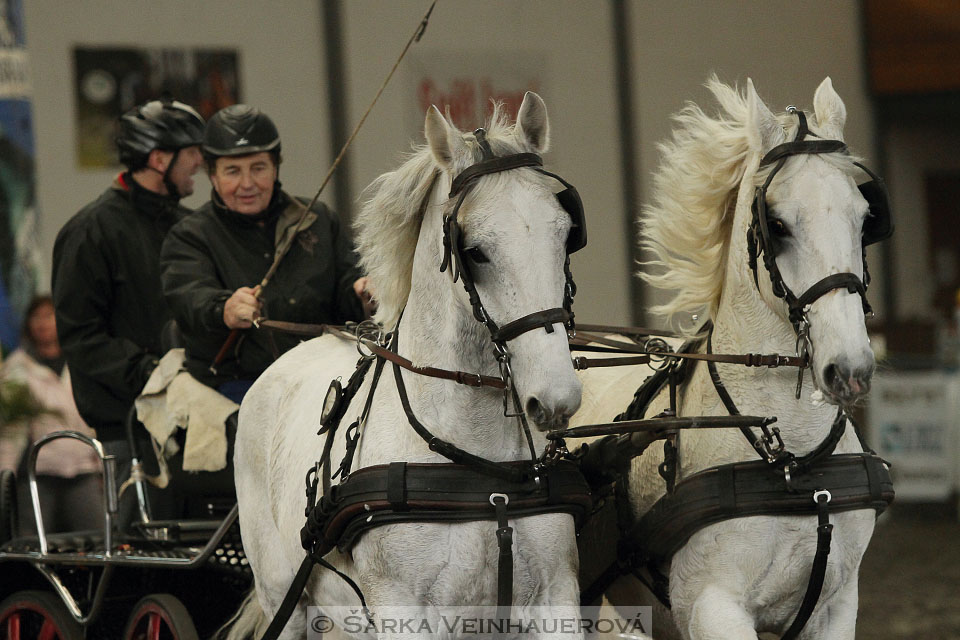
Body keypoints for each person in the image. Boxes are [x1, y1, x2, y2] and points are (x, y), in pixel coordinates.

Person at [51, 98, 205, 527]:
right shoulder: (90, 232)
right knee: (149, 563)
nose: (200, 161)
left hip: (201, 425)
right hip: (131, 433)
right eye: (191, 151)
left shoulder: (192, 227)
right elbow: (81, 338)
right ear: (159, 159)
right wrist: (151, 373)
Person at [160, 104, 369, 404]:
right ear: (213, 176)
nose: (247, 184)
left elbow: (350, 282)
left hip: (323, 379)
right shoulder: (189, 235)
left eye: (258, 168)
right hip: (235, 387)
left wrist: (363, 293)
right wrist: (225, 309)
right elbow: (189, 299)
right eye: (232, 171)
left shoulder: (319, 219)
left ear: (275, 168)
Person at [0, 295, 104, 534]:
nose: (43, 323)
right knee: (32, 544)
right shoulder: (17, 366)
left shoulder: (80, 362)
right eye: (36, 317)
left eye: (49, 316)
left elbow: (93, 415)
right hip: (36, 474)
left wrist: (100, 465)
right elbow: (10, 429)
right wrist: (6, 479)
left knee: (97, 539)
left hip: (82, 469)